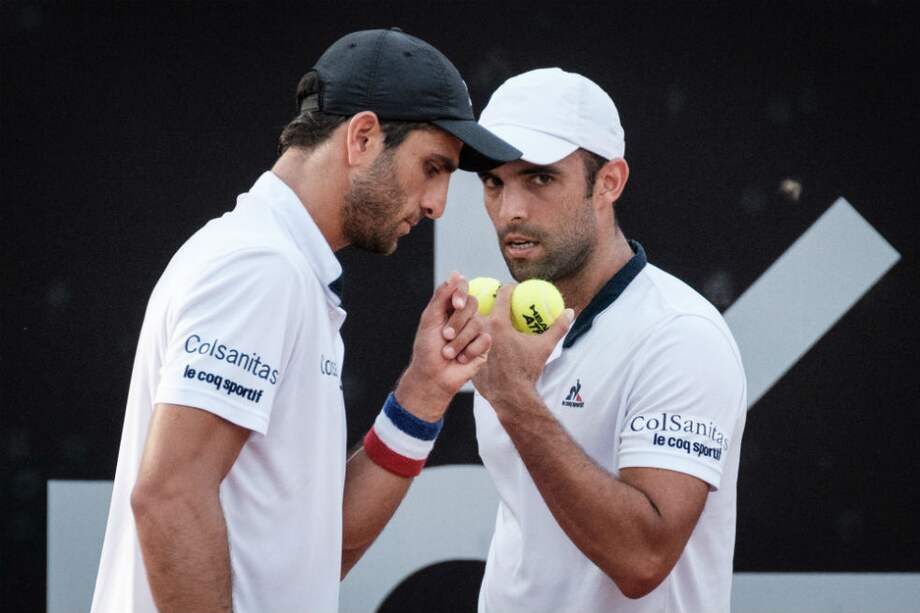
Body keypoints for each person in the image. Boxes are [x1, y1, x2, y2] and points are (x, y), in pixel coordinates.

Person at [90, 28, 519, 613]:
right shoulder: (261, 268)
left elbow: (315, 553)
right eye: (433, 167)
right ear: (362, 137)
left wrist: (423, 393)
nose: (437, 204)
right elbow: (170, 496)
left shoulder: (283, 267)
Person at [470, 67, 747, 613]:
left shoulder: (680, 335)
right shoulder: (503, 323)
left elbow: (643, 559)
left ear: (610, 182)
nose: (510, 210)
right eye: (494, 182)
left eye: (540, 178)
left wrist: (514, 399)